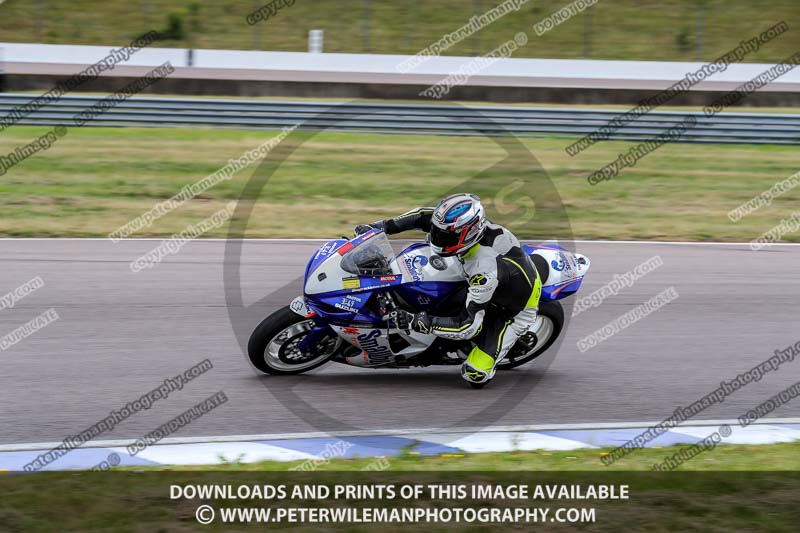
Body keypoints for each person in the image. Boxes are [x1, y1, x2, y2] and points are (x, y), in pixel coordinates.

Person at [354, 193, 541, 385]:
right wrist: (380, 227)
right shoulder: (467, 228)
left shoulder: (485, 272)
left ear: (467, 234)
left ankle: (488, 353)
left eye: (444, 235)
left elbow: (468, 326)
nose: (436, 236)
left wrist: (418, 321)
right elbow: (421, 217)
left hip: (512, 309)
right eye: (436, 231)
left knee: (475, 374)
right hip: (478, 271)